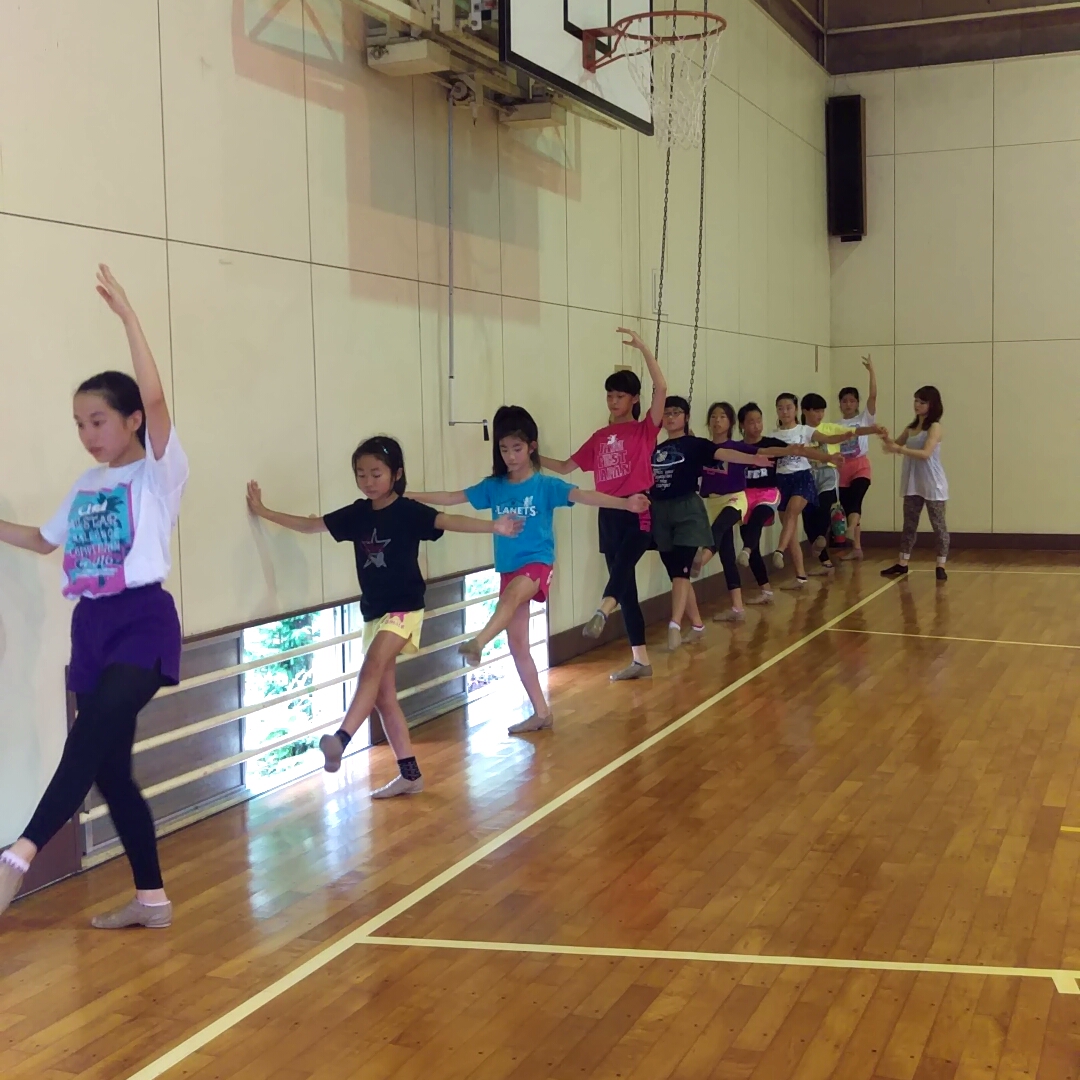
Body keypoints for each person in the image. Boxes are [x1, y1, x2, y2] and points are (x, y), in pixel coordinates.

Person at [0, 266, 189, 929]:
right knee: (110, 772)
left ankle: (19, 853)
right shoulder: (86, 483)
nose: (88, 433)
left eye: (99, 420)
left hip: (143, 622)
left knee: (89, 732)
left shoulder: (158, 473)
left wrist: (129, 317)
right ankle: (152, 900)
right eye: (79, 423)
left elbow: (157, 399)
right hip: (92, 628)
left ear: (132, 420)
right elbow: (43, 540)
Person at [246, 437, 522, 797]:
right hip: (374, 612)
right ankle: (410, 774)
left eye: (376, 473)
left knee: (373, 664)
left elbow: (448, 520)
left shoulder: (408, 511)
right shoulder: (358, 514)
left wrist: (495, 527)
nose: (368, 481)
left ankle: (341, 739)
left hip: (405, 607)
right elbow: (311, 526)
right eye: (361, 474)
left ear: (396, 474)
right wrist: (264, 511)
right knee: (384, 697)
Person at [410, 406, 649, 734]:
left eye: (517, 448)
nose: (510, 456)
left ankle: (478, 642)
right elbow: (451, 497)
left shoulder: (545, 486)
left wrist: (625, 503)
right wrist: (406, 496)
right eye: (504, 449)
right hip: (509, 568)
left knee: (510, 597)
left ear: (532, 447)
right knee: (518, 646)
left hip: (537, 563)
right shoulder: (494, 486)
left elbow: (585, 495)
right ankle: (541, 713)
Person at [541, 327, 664, 682]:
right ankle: (640, 661)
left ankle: (601, 610)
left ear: (634, 399)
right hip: (608, 512)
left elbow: (661, 388)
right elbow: (565, 467)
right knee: (627, 589)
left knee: (622, 568)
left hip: (638, 508)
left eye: (620, 395)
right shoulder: (599, 437)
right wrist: (530, 458)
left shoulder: (644, 430)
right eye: (610, 395)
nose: (613, 400)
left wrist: (643, 349)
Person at [648, 397, 768, 648]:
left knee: (682, 570)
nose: (670, 417)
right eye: (667, 413)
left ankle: (674, 624)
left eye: (676, 412)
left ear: (686, 417)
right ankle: (697, 626)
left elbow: (723, 453)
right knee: (677, 573)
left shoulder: (696, 444)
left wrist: (753, 459)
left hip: (687, 511)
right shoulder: (657, 448)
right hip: (661, 512)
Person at [693, 401, 794, 622]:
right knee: (727, 555)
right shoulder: (702, 448)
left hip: (736, 499)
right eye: (713, 416)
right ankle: (737, 608)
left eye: (722, 416)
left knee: (719, 527)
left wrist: (792, 450)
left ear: (730, 423)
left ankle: (701, 559)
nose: (717, 420)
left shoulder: (737, 447)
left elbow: (765, 450)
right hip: (712, 502)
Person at [769, 393, 852, 590]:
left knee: (792, 513)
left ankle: (779, 550)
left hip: (802, 478)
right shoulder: (772, 436)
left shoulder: (804, 430)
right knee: (790, 530)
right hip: (782, 481)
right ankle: (800, 577)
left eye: (788, 408)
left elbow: (826, 439)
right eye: (780, 408)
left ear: (796, 410)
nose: (785, 412)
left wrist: (845, 436)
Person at [799, 393, 881, 575]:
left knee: (825, 506)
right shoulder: (799, 431)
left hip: (828, 474)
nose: (820, 415)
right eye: (816, 411)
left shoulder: (829, 428)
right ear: (805, 411)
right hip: (807, 476)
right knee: (808, 519)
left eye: (822, 411)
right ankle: (825, 562)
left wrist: (872, 430)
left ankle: (823, 537)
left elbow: (852, 432)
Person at [880, 386, 949, 583]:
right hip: (913, 482)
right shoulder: (910, 428)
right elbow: (893, 446)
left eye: (922, 402)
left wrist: (899, 449)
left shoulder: (934, 427)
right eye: (916, 400)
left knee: (938, 525)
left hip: (932, 482)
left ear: (931, 405)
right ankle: (902, 562)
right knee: (909, 524)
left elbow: (925, 453)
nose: (917, 405)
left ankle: (941, 564)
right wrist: (884, 437)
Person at [837, 356, 878, 561]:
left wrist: (871, 371)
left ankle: (850, 528)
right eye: (844, 401)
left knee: (856, 499)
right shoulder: (836, 425)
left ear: (857, 403)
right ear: (840, 404)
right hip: (843, 468)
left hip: (861, 466)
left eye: (852, 401)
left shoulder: (864, 418)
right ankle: (857, 548)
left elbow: (873, 396)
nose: (848, 404)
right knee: (850, 506)